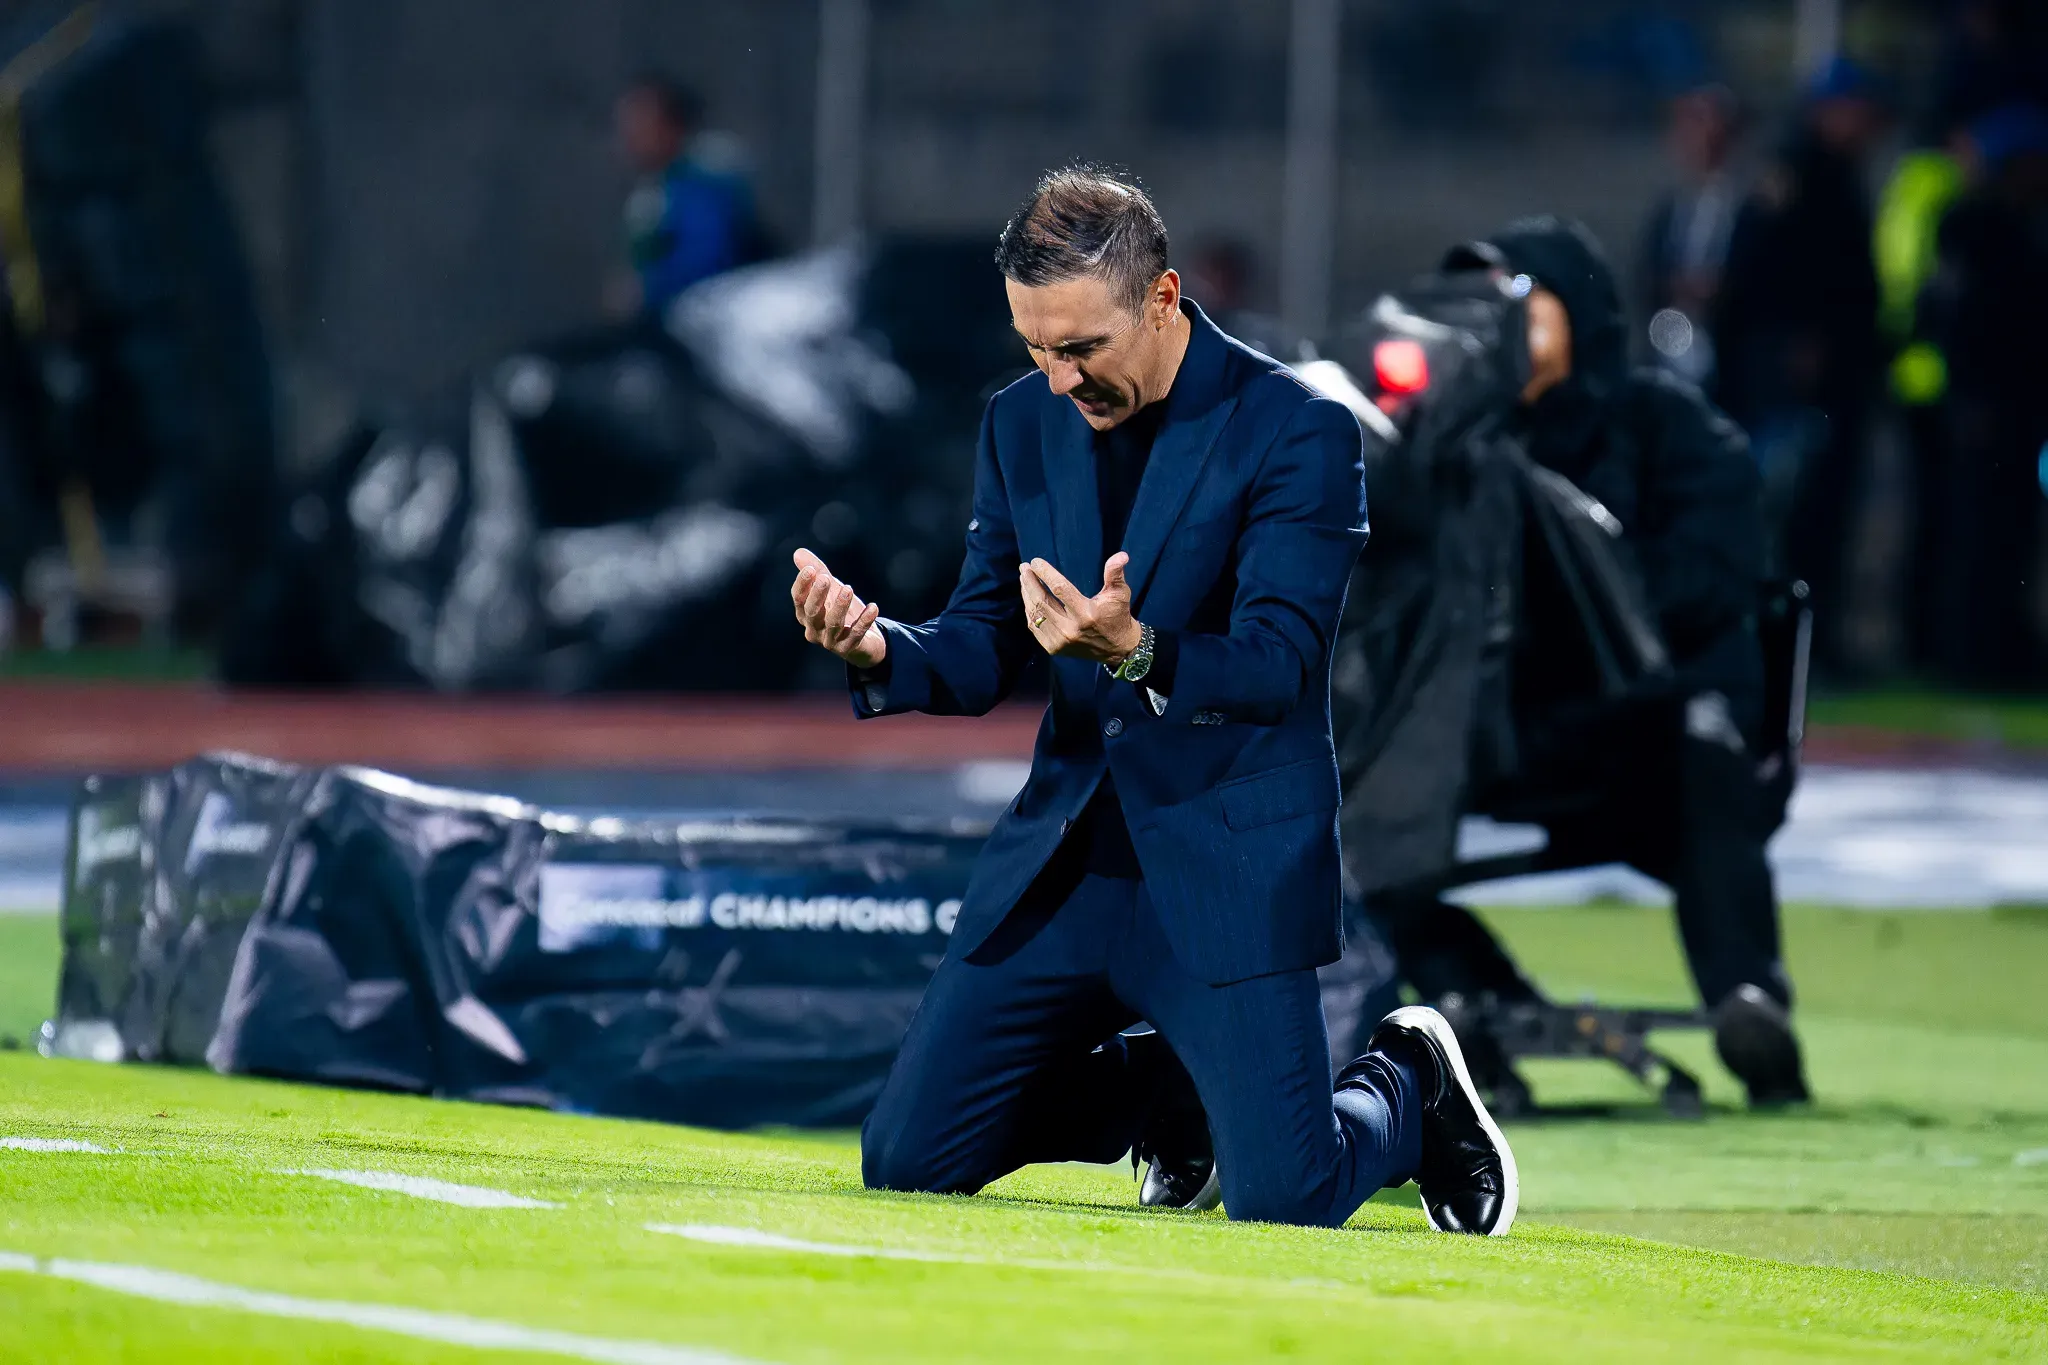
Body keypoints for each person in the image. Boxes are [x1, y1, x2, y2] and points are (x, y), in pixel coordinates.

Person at [788, 165, 1518, 1233]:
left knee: (1285, 1199)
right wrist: (873, 647)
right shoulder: (1018, 424)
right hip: (1071, 864)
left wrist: (1136, 652)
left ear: (1164, 300)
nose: (1057, 378)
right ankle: (1164, 1087)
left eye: (1082, 348)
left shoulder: (1296, 429)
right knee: (908, 1158)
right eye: (1034, 347)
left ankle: (1405, 1084)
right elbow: (982, 646)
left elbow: (1278, 664)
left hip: (1220, 860)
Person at [1377, 217, 1810, 1107]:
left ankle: (1748, 998)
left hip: (1649, 745)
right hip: (1512, 747)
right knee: (1337, 796)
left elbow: (1715, 580)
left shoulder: (1670, 428)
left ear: (1574, 311)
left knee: (1705, 735)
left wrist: (1582, 569)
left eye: (1517, 306)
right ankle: (1472, 998)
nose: (1491, 330)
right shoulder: (1443, 450)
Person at [1713, 57, 1884, 675]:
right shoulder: (1801, 175)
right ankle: (1790, 643)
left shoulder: (1837, 174)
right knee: (1795, 515)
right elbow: (1774, 274)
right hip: (1794, 384)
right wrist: (1796, 347)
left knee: (1822, 515)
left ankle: (1818, 641)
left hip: (1834, 377)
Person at [1918, 103, 2048, 686]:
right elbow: (1959, 318)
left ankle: (1998, 646)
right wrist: (1968, 395)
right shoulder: (1974, 226)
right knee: (1979, 531)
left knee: (2010, 529)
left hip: (2016, 404)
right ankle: (1971, 654)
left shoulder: (2018, 226)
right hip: (1984, 404)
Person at [611, 74, 759, 320]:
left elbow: (707, 267)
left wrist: (646, 290)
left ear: (672, 126)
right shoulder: (658, 188)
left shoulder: (703, 185)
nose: (629, 135)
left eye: (641, 122)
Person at [1637, 83, 1744, 388]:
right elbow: (1647, 277)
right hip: (1672, 351)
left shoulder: (1749, 207)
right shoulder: (1670, 208)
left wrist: (1719, 288)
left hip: (1729, 357)